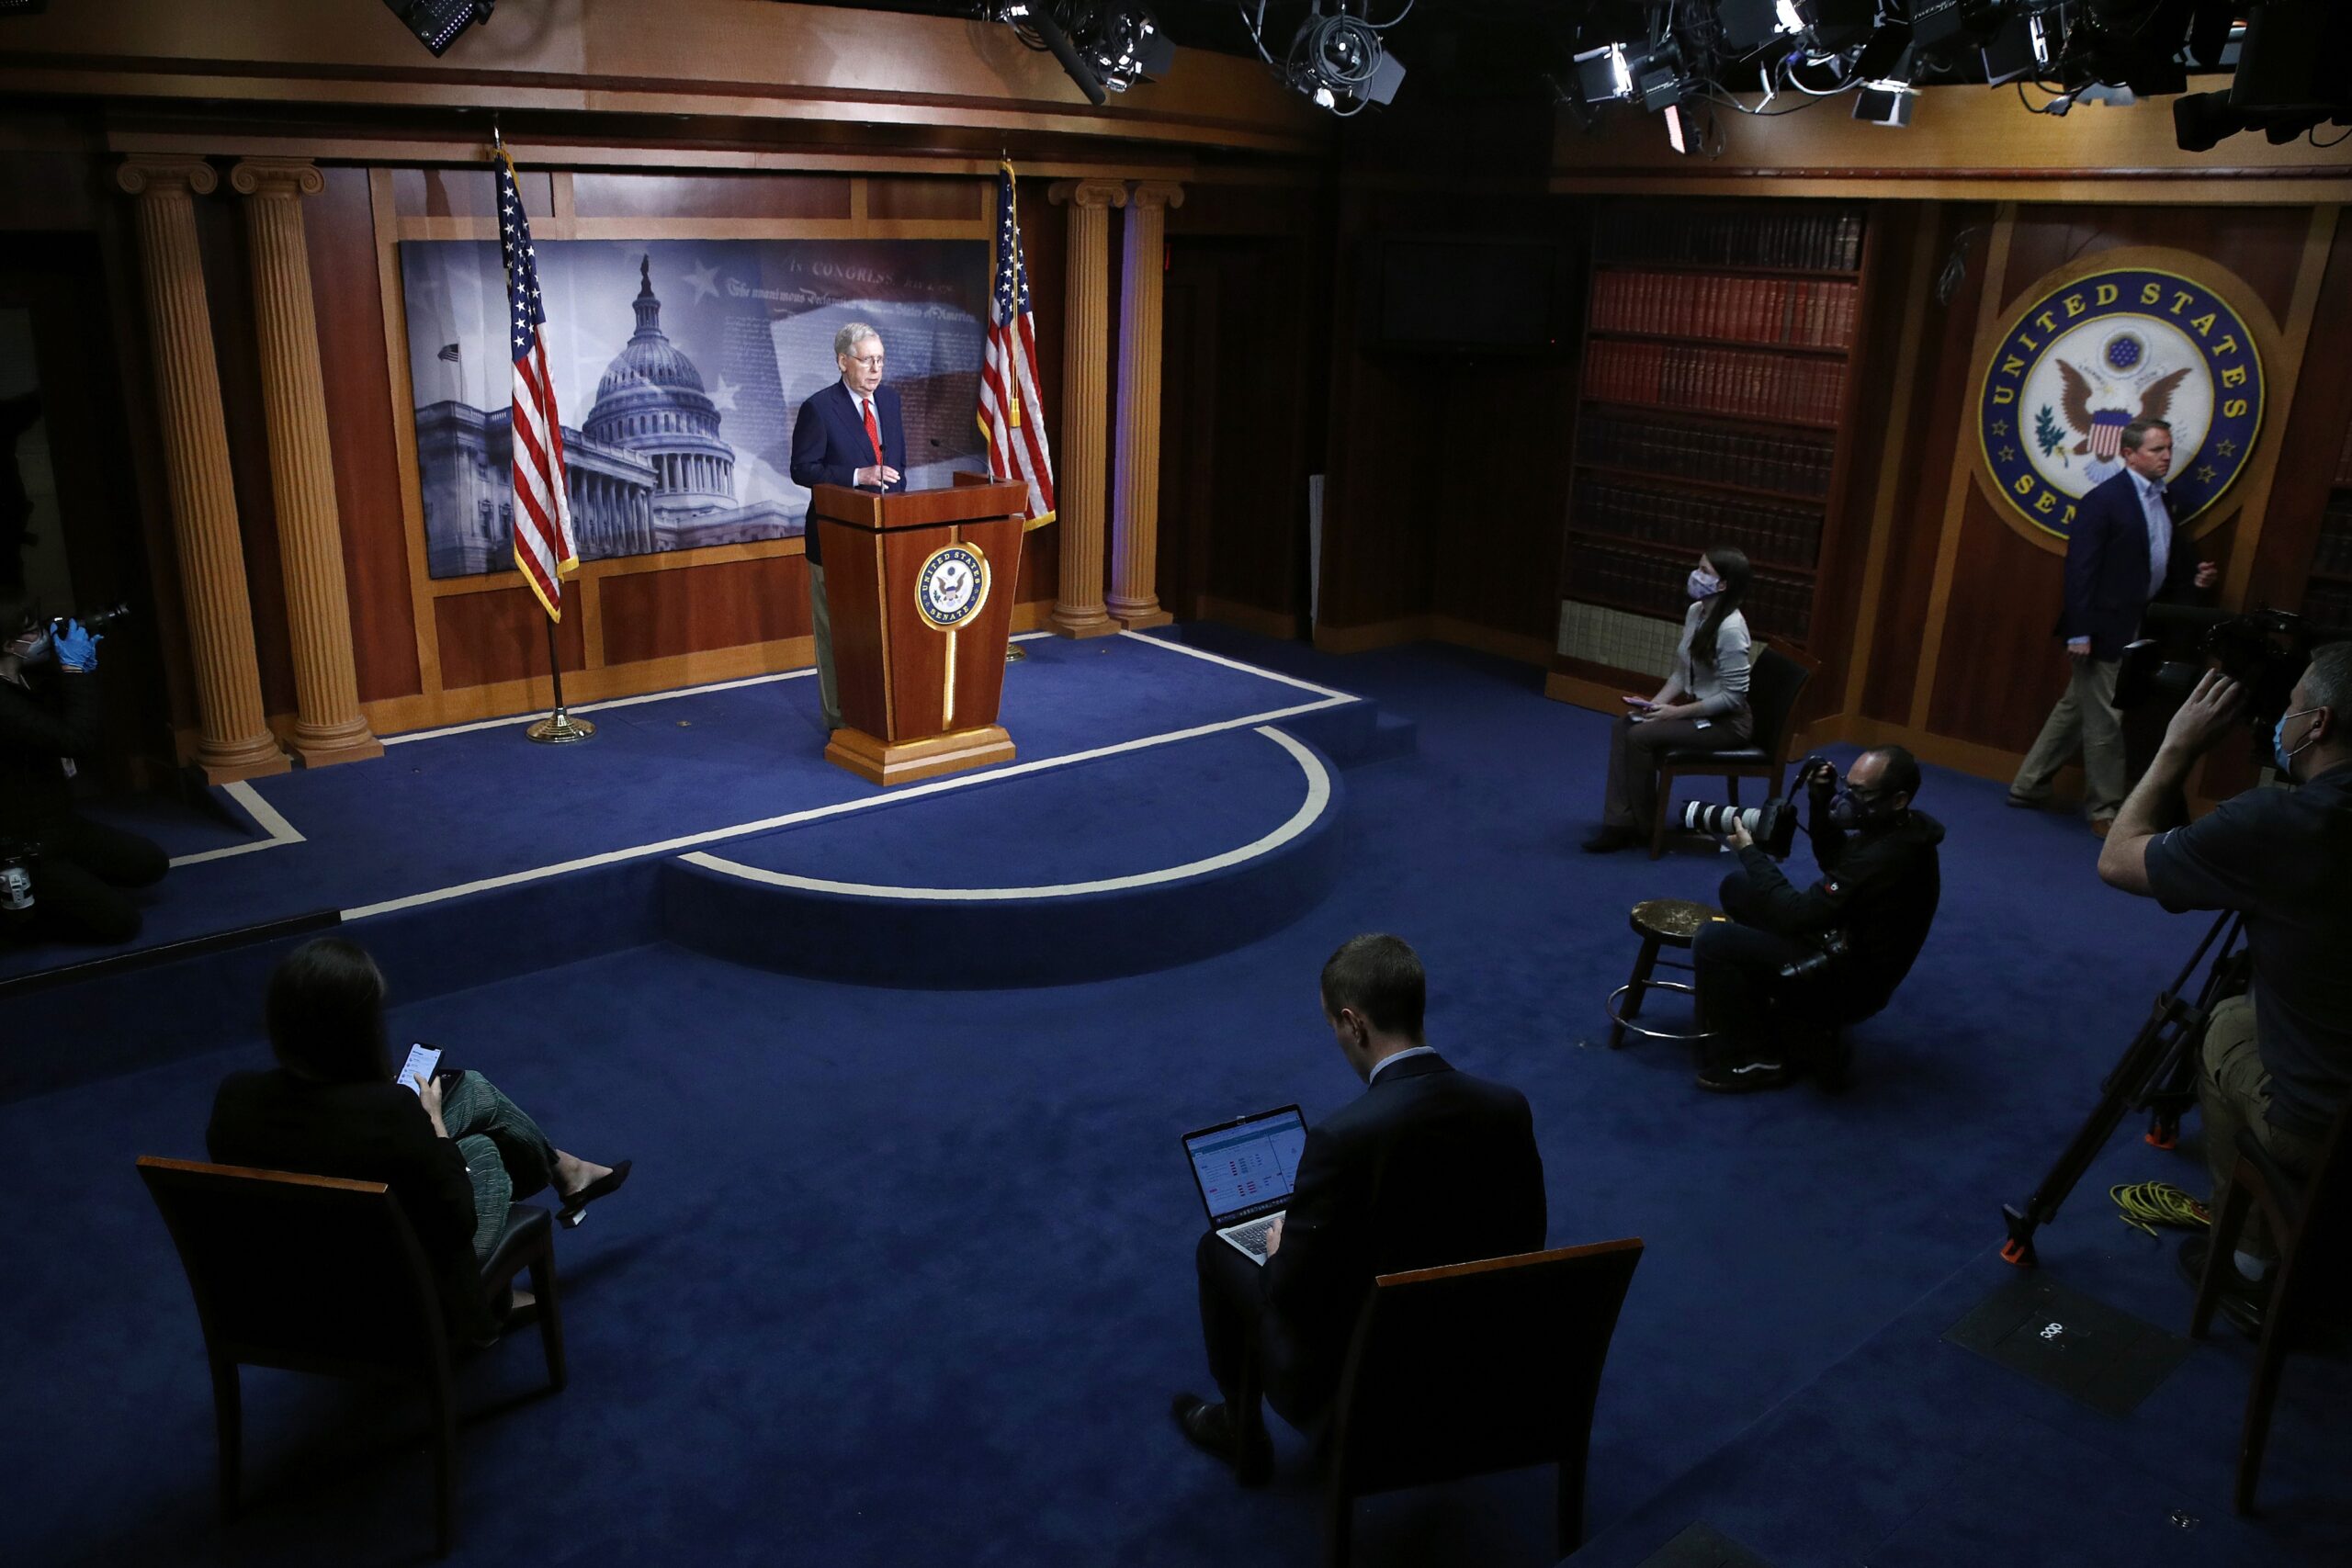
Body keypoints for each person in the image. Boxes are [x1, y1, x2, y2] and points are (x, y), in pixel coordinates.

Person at [1171, 934, 1546, 1486]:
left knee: (1217, 1250)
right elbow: (1528, 1240)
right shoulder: (1507, 1107)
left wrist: (1278, 1251)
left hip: (1368, 1382)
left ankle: (1241, 1431)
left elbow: (1292, 1293)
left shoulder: (1341, 1140)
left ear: (1354, 1024)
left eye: (1332, 1026)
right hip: (1481, 1361)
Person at [2097, 647, 2352, 1333]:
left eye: (2291, 703)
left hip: (2322, 1122)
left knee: (2225, 1024)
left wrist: (2176, 746)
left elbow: (2119, 859)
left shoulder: (2281, 823)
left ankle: (2249, 1261)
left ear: (2318, 722)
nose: (2281, 717)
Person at [207, 939, 632, 1342]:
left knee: (471, 1089)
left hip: (297, 1279)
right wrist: (432, 1122)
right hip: (391, 1285)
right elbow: (457, 1218)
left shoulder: (234, 1097)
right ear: (359, 1030)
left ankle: (569, 1171)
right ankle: (494, 1296)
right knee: (483, 1148)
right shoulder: (389, 1114)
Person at [1690, 746, 1944, 1093]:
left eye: (1861, 793)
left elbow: (1797, 914)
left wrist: (1749, 852)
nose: (1848, 800)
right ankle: (1780, 1014)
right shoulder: (1898, 828)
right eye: (1847, 786)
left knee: (1712, 941)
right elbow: (1836, 859)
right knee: (1738, 887)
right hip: (1839, 941)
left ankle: (1759, 1058)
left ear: (1898, 799)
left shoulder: (1889, 856)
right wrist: (1819, 797)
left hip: (1849, 981)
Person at [2010, 419, 2218, 837]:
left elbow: (2161, 558)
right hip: (2101, 628)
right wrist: (2080, 632)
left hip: (2137, 624)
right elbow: (2080, 572)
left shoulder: (2164, 498)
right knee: (2108, 717)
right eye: (2157, 449)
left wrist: (2194, 582)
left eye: (2168, 449)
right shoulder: (2103, 501)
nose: (2166, 457)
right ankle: (2105, 810)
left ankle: (2028, 786)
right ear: (2129, 454)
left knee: (2074, 710)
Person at [0, 592, 166, 945]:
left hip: (58, 824)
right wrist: (75, 672)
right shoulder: (4, 705)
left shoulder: (24, 675)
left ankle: (69, 887)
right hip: (24, 843)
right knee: (121, 924)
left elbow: (68, 712)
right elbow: (75, 739)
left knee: (149, 864)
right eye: (32, 631)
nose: (42, 636)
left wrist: (73, 669)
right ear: (7, 645)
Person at [1584, 547, 1755, 853]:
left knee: (1639, 737)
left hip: (1726, 724)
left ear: (1723, 585)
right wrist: (1653, 705)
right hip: (1698, 710)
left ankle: (1647, 827)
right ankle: (1619, 823)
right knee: (1625, 724)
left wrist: (1673, 714)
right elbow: (1681, 673)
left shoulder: (1731, 629)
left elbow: (1732, 697)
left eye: (1704, 571)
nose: (1695, 575)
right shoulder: (1696, 612)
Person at [788, 323, 906, 735]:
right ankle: (841, 722)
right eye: (866, 360)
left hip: (887, 537)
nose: (876, 369)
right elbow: (802, 469)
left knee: (885, 633)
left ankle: (886, 711)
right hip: (836, 540)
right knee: (836, 635)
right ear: (843, 361)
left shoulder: (889, 401)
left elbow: (897, 470)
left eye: (880, 360)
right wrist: (858, 476)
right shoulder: (819, 408)